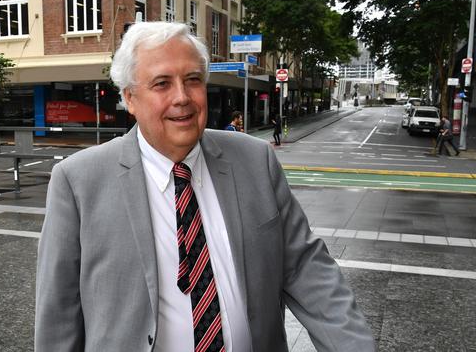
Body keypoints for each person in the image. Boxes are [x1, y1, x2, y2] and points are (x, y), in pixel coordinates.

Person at [35, 22, 374, 352]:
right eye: (162, 84)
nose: (182, 97)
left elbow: (306, 268)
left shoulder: (255, 161)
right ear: (131, 99)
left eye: (192, 80)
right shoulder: (78, 181)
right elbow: (59, 313)